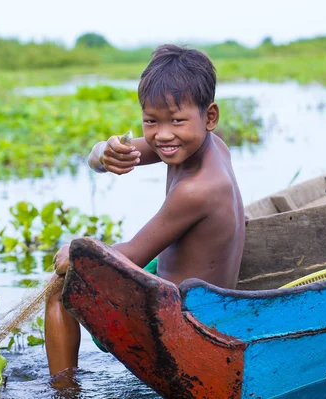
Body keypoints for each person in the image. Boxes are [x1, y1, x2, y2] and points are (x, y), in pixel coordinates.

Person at [45, 44, 246, 380]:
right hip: (193, 295)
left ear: (209, 116)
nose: (163, 135)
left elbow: (134, 253)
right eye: (151, 121)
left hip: (181, 320)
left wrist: (78, 253)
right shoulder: (206, 144)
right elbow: (98, 157)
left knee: (60, 289)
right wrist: (105, 151)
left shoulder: (197, 190)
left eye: (177, 121)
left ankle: (62, 387)